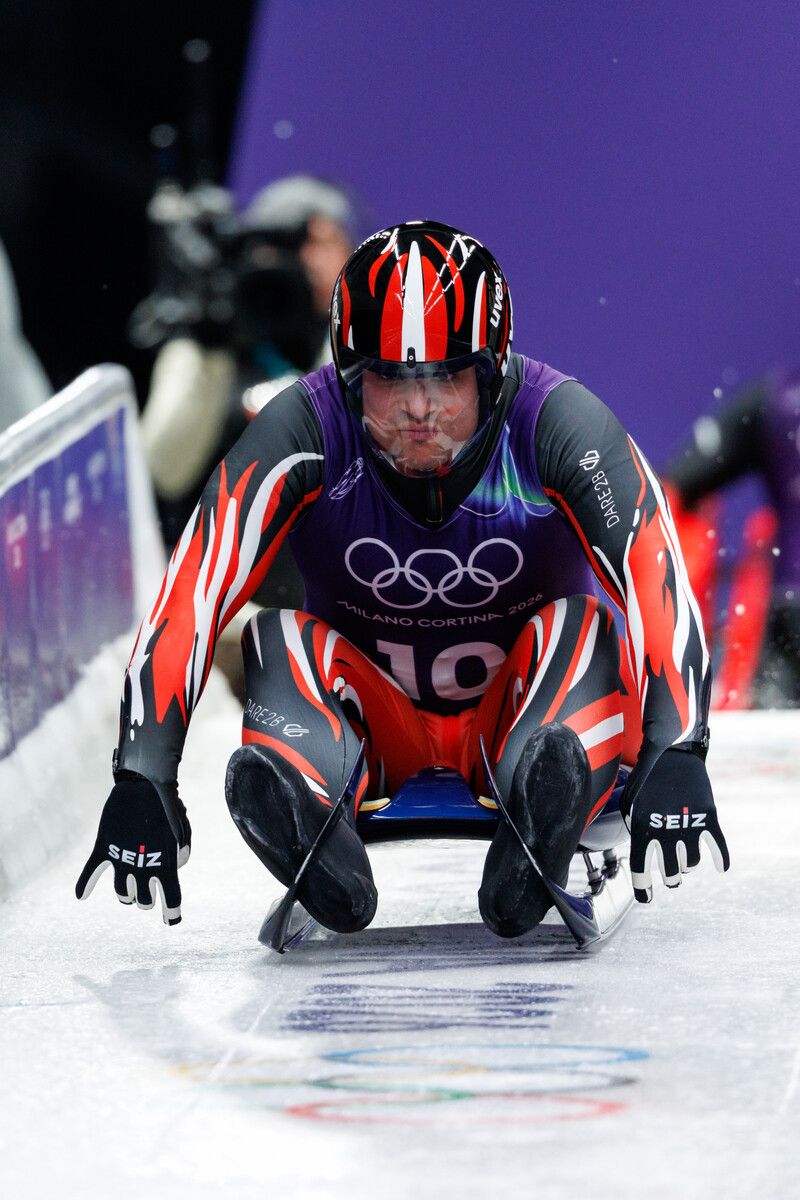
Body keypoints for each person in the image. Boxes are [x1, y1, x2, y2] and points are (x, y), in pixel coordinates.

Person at [76, 220, 729, 935]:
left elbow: (650, 564)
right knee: (276, 635)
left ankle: (540, 822)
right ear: (351, 375)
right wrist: (142, 772)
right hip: (373, 731)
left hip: (525, 720)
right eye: (391, 380)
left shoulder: (557, 420)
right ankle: (318, 832)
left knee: (581, 627)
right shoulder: (306, 425)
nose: (420, 410)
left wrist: (677, 749)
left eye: (447, 376)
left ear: (492, 368)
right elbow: (196, 584)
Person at [663, 375, 800, 706]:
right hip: (789, 624)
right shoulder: (778, 402)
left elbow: (675, 488)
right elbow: (674, 490)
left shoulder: (779, 401)